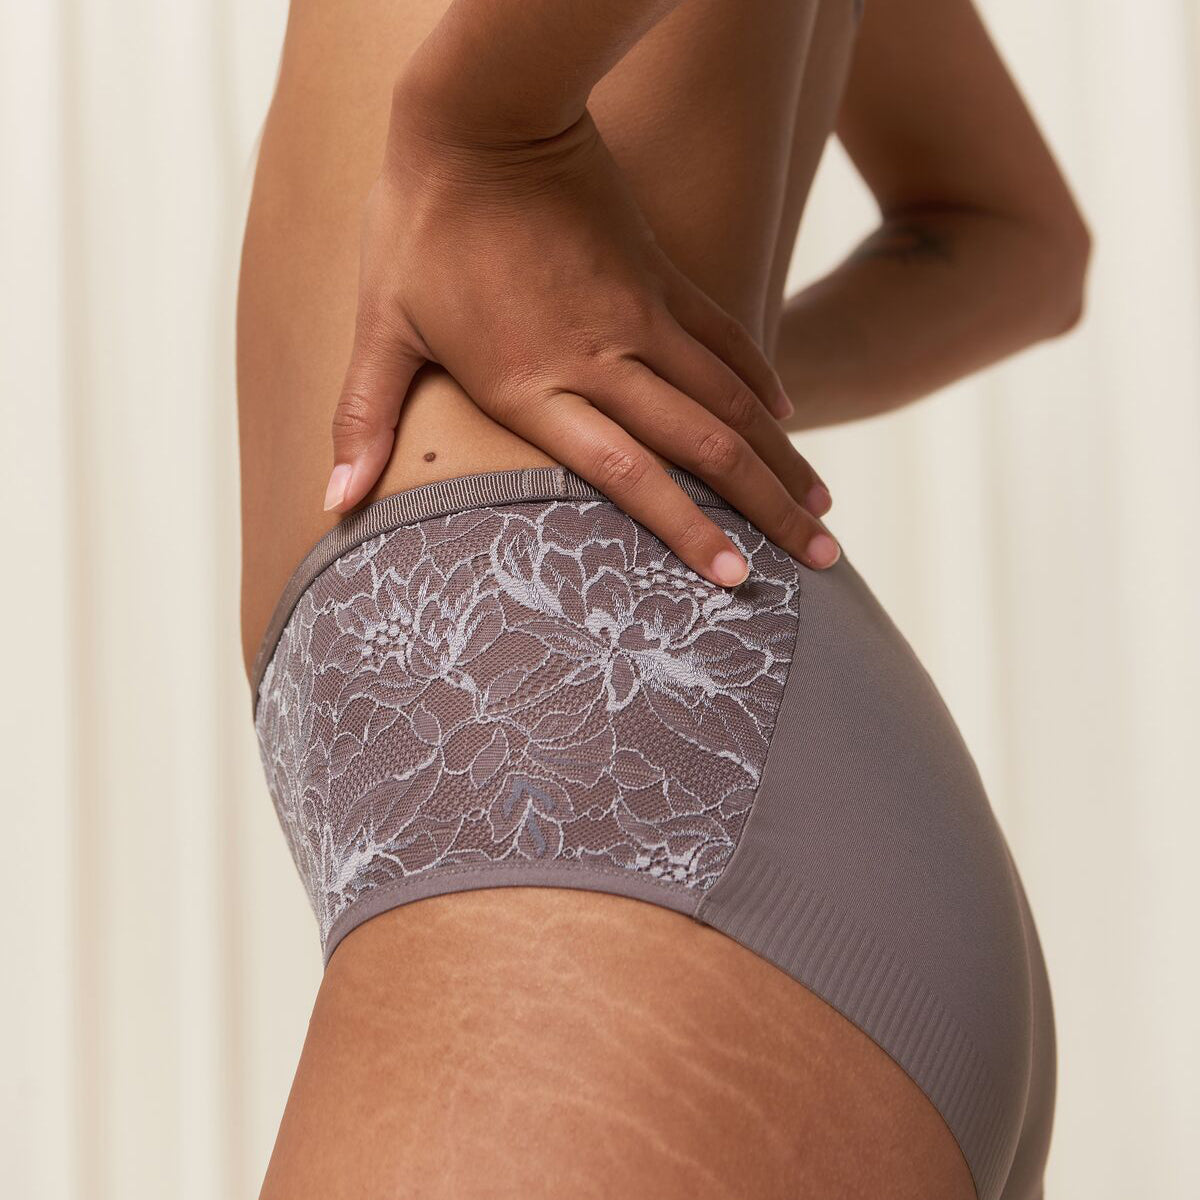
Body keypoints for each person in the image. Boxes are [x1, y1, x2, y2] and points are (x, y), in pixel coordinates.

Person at [238, 1, 1090, 1197]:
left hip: (586, 777)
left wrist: (481, 130)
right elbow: (1012, 236)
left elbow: (1023, 247)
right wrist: (681, 372)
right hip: (663, 784)